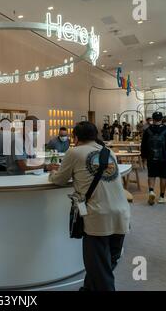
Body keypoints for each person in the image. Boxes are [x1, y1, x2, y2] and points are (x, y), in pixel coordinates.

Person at [49, 121, 130, 291]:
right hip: (122, 214)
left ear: (75, 137)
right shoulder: (109, 152)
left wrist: (52, 172)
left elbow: (59, 180)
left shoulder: (74, 152)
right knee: (106, 263)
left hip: (98, 217)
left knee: (100, 269)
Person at [141, 112, 166, 205]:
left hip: (151, 158)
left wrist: (144, 157)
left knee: (151, 175)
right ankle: (162, 197)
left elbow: (143, 145)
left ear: (153, 119)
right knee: (163, 177)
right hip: (164, 158)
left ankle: (151, 191)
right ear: (162, 119)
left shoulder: (147, 130)